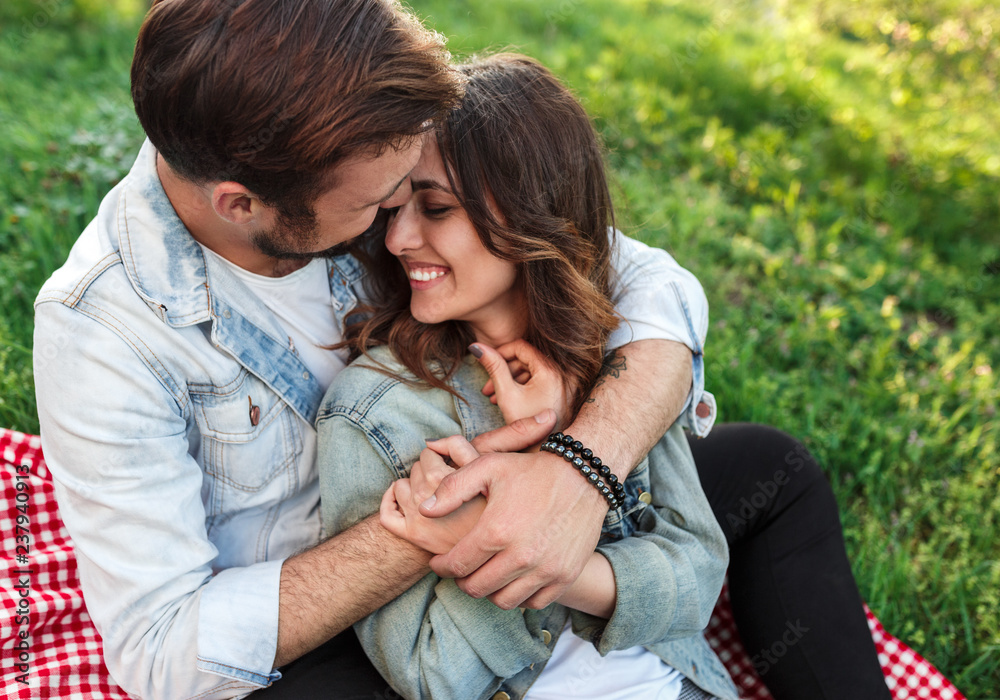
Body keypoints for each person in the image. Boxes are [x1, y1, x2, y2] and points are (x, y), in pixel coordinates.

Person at [32, 1, 714, 697]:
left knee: (761, 468)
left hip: (485, 471)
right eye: (377, 205)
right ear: (242, 205)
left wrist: (578, 465)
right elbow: (163, 652)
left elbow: (627, 272)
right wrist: (448, 520)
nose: (393, 232)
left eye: (421, 198)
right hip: (328, 614)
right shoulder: (106, 336)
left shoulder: (364, 149)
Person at [318, 54, 892, 700]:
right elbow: (431, 677)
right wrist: (521, 524)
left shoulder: (614, 363)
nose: (398, 238)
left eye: (436, 208)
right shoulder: (373, 411)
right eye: (396, 208)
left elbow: (696, 583)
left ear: (529, 212)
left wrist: (535, 515)